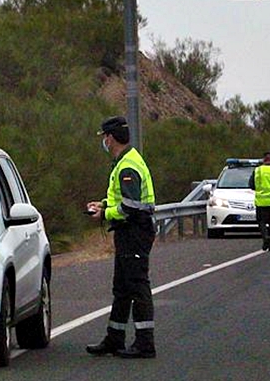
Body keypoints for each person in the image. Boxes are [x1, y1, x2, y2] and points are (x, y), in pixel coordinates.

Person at [85, 116, 157, 359]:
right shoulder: (125, 162)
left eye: (104, 137)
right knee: (123, 288)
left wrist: (105, 213)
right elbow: (122, 201)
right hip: (128, 232)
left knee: (137, 286)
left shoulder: (127, 166)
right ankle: (114, 338)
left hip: (134, 231)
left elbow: (131, 206)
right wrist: (104, 204)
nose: (104, 141)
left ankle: (145, 343)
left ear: (111, 137)